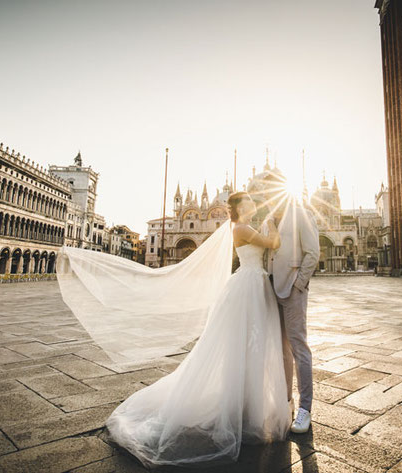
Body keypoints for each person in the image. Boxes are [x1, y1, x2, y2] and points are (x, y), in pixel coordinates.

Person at [102, 192, 292, 468]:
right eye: (248, 202)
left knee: (250, 345)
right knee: (245, 344)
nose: (253, 204)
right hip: (249, 286)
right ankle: (242, 406)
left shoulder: (242, 227)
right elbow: (272, 243)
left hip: (251, 285)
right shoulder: (240, 228)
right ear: (239, 208)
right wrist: (273, 223)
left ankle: (246, 403)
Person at [264, 198, 319, 434]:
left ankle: (305, 408)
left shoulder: (301, 214)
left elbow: (313, 252)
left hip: (292, 289)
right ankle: (286, 401)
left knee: (299, 348)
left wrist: (299, 283)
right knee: (281, 348)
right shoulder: (268, 219)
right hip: (271, 289)